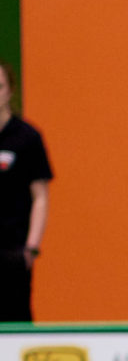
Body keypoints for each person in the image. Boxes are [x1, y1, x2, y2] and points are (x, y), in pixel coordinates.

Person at [0, 60, 53, 323]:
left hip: (13, 250)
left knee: (15, 321)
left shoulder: (27, 138)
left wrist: (31, 247)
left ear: (10, 90)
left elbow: (40, 197)